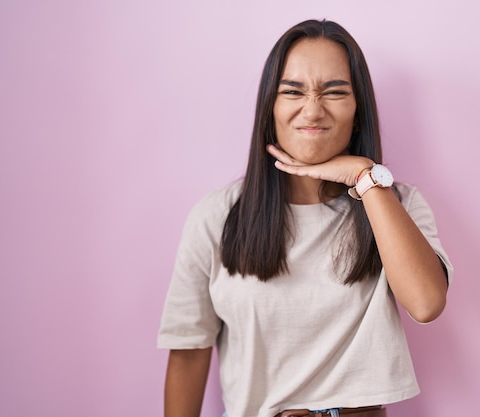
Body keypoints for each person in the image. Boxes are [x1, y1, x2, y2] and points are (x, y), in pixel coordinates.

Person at [158, 19, 453, 417]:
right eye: (293, 91)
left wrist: (365, 178)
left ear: (358, 110)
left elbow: (426, 302)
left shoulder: (396, 205)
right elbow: (189, 352)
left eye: (334, 92)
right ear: (270, 107)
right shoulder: (216, 217)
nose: (312, 110)